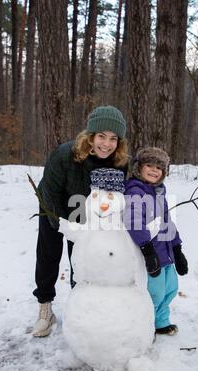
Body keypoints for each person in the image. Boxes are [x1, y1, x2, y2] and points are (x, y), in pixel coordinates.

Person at [32, 106, 129, 337]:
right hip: (53, 205)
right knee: (49, 254)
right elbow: (51, 193)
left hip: (86, 210)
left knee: (82, 259)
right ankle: (45, 309)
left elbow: (118, 197)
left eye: (113, 138)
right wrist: (62, 225)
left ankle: (80, 309)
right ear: (91, 136)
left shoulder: (120, 162)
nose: (106, 144)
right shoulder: (65, 154)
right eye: (101, 136)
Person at [124, 147, 188, 336]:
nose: (154, 170)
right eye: (149, 165)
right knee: (155, 293)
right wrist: (147, 249)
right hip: (151, 253)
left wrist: (177, 248)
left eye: (159, 168)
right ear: (139, 168)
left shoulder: (159, 192)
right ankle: (144, 326)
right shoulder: (135, 191)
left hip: (166, 252)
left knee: (170, 289)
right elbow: (133, 221)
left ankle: (160, 322)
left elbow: (167, 221)